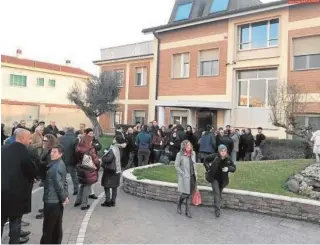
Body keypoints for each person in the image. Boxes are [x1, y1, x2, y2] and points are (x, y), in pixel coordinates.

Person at [1, 129, 39, 244]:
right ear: (22, 138)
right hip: (17, 194)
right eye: (29, 138)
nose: (31, 140)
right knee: (15, 222)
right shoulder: (26, 153)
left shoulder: (3, 150)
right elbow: (32, 172)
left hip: (2, 192)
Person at [40, 145, 69, 244]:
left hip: (52, 201)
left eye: (55, 152)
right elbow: (64, 182)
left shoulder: (55, 168)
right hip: (56, 201)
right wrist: (65, 197)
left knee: (49, 227)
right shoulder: (60, 163)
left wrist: (63, 198)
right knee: (56, 225)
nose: (52, 154)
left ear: (60, 154)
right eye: (52, 152)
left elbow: (58, 185)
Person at [204, 144, 236, 218]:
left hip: (222, 179)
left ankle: (216, 204)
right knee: (217, 193)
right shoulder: (214, 156)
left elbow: (234, 168)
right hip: (214, 178)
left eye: (225, 151)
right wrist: (208, 168)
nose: (224, 152)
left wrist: (228, 169)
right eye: (222, 151)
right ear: (219, 151)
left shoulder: (228, 159)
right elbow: (205, 159)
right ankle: (217, 210)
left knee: (219, 194)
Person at [36, 134, 59, 219]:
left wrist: (41, 163)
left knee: (49, 195)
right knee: (46, 193)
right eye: (43, 140)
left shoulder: (52, 151)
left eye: (45, 141)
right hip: (45, 175)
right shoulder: (46, 149)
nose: (43, 142)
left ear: (50, 141)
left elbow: (51, 164)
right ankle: (45, 208)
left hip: (49, 176)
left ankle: (47, 212)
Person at [74, 135, 100, 210]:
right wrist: (97, 167)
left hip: (80, 168)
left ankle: (78, 201)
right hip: (89, 169)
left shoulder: (78, 148)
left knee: (82, 185)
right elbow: (95, 160)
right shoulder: (90, 149)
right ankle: (84, 204)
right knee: (87, 186)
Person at [101, 135, 126, 207]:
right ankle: (113, 201)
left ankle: (107, 201)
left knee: (107, 186)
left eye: (114, 139)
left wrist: (103, 157)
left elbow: (108, 159)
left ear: (116, 140)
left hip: (110, 170)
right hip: (117, 169)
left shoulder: (113, 148)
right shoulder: (121, 147)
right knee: (114, 187)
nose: (113, 140)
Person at [175, 140, 197, 218]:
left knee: (189, 194)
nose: (189, 147)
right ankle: (179, 204)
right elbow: (176, 166)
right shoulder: (180, 154)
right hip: (185, 178)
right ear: (184, 147)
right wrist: (182, 173)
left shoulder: (193, 153)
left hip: (192, 177)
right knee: (185, 194)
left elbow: (194, 165)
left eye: (190, 146)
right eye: (187, 146)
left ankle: (187, 211)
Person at [59, 127, 79, 195]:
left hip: (62, 159)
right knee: (74, 176)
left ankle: (63, 190)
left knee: (62, 176)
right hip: (71, 160)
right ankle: (76, 189)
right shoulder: (75, 139)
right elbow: (76, 151)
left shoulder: (60, 138)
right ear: (73, 131)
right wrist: (77, 160)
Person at [84, 128, 102, 199]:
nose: (92, 135)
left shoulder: (94, 140)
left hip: (95, 160)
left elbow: (99, 147)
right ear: (86, 134)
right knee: (88, 178)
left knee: (94, 178)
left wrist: (93, 144)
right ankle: (88, 193)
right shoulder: (84, 141)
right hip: (87, 161)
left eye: (92, 133)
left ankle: (91, 192)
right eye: (90, 133)